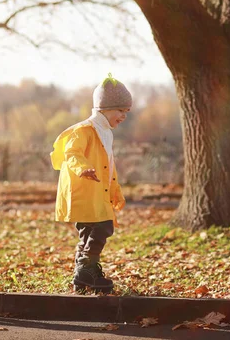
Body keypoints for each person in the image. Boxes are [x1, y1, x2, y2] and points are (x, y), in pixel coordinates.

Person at [50, 73, 132, 293]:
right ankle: (87, 271)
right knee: (102, 228)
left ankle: (83, 276)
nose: (124, 116)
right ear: (103, 109)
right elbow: (72, 152)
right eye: (120, 110)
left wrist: (116, 192)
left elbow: (109, 168)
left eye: (126, 111)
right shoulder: (85, 130)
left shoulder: (106, 132)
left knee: (89, 234)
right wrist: (82, 168)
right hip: (85, 194)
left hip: (97, 194)